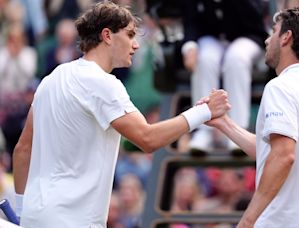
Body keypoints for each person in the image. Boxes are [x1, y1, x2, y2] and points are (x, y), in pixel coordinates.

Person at [12, 2, 230, 228]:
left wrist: (20, 209)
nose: (135, 45)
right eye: (130, 35)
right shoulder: (103, 83)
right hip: (72, 220)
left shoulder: (50, 79)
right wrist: (204, 111)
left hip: (34, 216)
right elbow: (148, 139)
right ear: (107, 35)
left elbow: (22, 150)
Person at [205, 6, 299, 227]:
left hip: (286, 221)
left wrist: (248, 219)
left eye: (273, 32)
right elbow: (271, 150)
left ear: (286, 37)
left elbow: (284, 155)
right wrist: (224, 123)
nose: (267, 40)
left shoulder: (280, 87)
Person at [181, 0, 268, 153]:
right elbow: (191, 21)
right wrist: (190, 47)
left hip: (248, 36)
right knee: (205, 59)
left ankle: (238, 129)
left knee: (236, 59)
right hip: (211, 37)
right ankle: (203, 130)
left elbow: (255, 16)